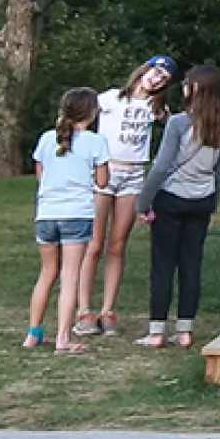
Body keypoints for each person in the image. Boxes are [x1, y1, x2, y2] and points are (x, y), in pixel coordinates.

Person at [134, 65, 220, 348]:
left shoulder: (179, 123)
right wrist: (213, 205)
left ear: (196, 88)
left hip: (172, 198)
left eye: (187, 84)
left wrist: (143, 202)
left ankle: (156, 331)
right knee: (191, 265)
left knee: (163, 265)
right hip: (202, 199)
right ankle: (185, 330)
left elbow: (162, 166)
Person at [87, 57, 172, 338]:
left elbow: (178, 132)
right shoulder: (111, 98)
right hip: (105, 170)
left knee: (117, 245)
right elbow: (78, 114)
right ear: (144, 69)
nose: (158, 79)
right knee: (94, 244)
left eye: (164, 78)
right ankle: (83, 310)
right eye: (156, 72)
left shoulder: (155, 108)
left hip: (133, 175)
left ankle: (108, 309)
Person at [25, 88, 108, 354]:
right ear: (92, 112)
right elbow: (103, 180)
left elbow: (41, 172)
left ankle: (33, 333)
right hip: (77, 213)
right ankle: (63, 338)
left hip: (47, 213)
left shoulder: (48, 138)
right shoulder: (95, 142)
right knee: (70, 275)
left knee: (46, 273)